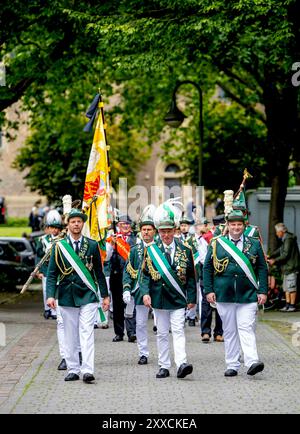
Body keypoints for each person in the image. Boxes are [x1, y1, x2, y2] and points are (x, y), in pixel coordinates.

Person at [46, 208, 109, 383]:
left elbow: (98, 272)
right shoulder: (59, 246)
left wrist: (105, 295)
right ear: (68, 224)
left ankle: (87, 370)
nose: (76, 224)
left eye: (79, 221)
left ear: (83, 224)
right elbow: (51, 274)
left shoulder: (92, 245)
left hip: (87, 294)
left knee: (87, 332)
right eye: (73, 221)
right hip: (67, 295)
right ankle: (73, 368)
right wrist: (50, 295)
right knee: (69, 334)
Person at [203, 209, 268, 377]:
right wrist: (209, 290)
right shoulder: (217, 242)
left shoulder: (253, 243)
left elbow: (262, 267)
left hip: (247, 294)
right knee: (230, 330)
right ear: (228, 226)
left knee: (246, 327)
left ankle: (252, 361)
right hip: (224, 294)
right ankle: (232, 364)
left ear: (244, 226)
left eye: (239, 224)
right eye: (233, 224)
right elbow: (208, 267)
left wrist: (262, 291)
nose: (236, 227)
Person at [140, 200, 197, 379]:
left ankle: (181, 363)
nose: (166, 235)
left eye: (169, 231)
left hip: (178, 298)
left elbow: (191, 276)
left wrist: (192, 298)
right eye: (163, 231)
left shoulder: (185, 250)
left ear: (175, 230)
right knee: (162, 333)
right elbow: (145, 275)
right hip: (159, 297)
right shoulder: (151, 250)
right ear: (159, 231)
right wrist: (145, 293)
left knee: (179, 330)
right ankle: (164, 365)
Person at [123, 205, 156, 365]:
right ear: (140, 231)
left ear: (154, 231)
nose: (146, 232)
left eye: (149, 229)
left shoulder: (159, 248)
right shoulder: (135, 249)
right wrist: (127, 288)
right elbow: (128, 270)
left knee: (164, 327)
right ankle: (143, 353)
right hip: (140, 292)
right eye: (144, 229)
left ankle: (167, 355)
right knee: (141, 324)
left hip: (158, 291)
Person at [105, 215, 137, 342]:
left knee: (130, 303)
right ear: (118, 225)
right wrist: (111, 244)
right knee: (117, 305)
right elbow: (106, 258)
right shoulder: (112, 238)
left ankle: (131, 332)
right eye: (123, 224)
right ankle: (119, 332)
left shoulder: (136, 239)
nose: (126, 226)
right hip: (116, 275)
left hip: (130, 275)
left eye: (128, 224)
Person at [268, 223, 300, 312]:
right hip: (286, 267)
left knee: (291, 287)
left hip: (291, 267)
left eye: (277, 232)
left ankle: (292, 306)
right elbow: (280, 250)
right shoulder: (285, 239)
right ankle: (287, 305)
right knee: (286, 287)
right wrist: (270, 256)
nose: (277, 234)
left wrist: (274, 260)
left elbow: (286, 254)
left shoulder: (288, 239)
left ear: (281, 231)